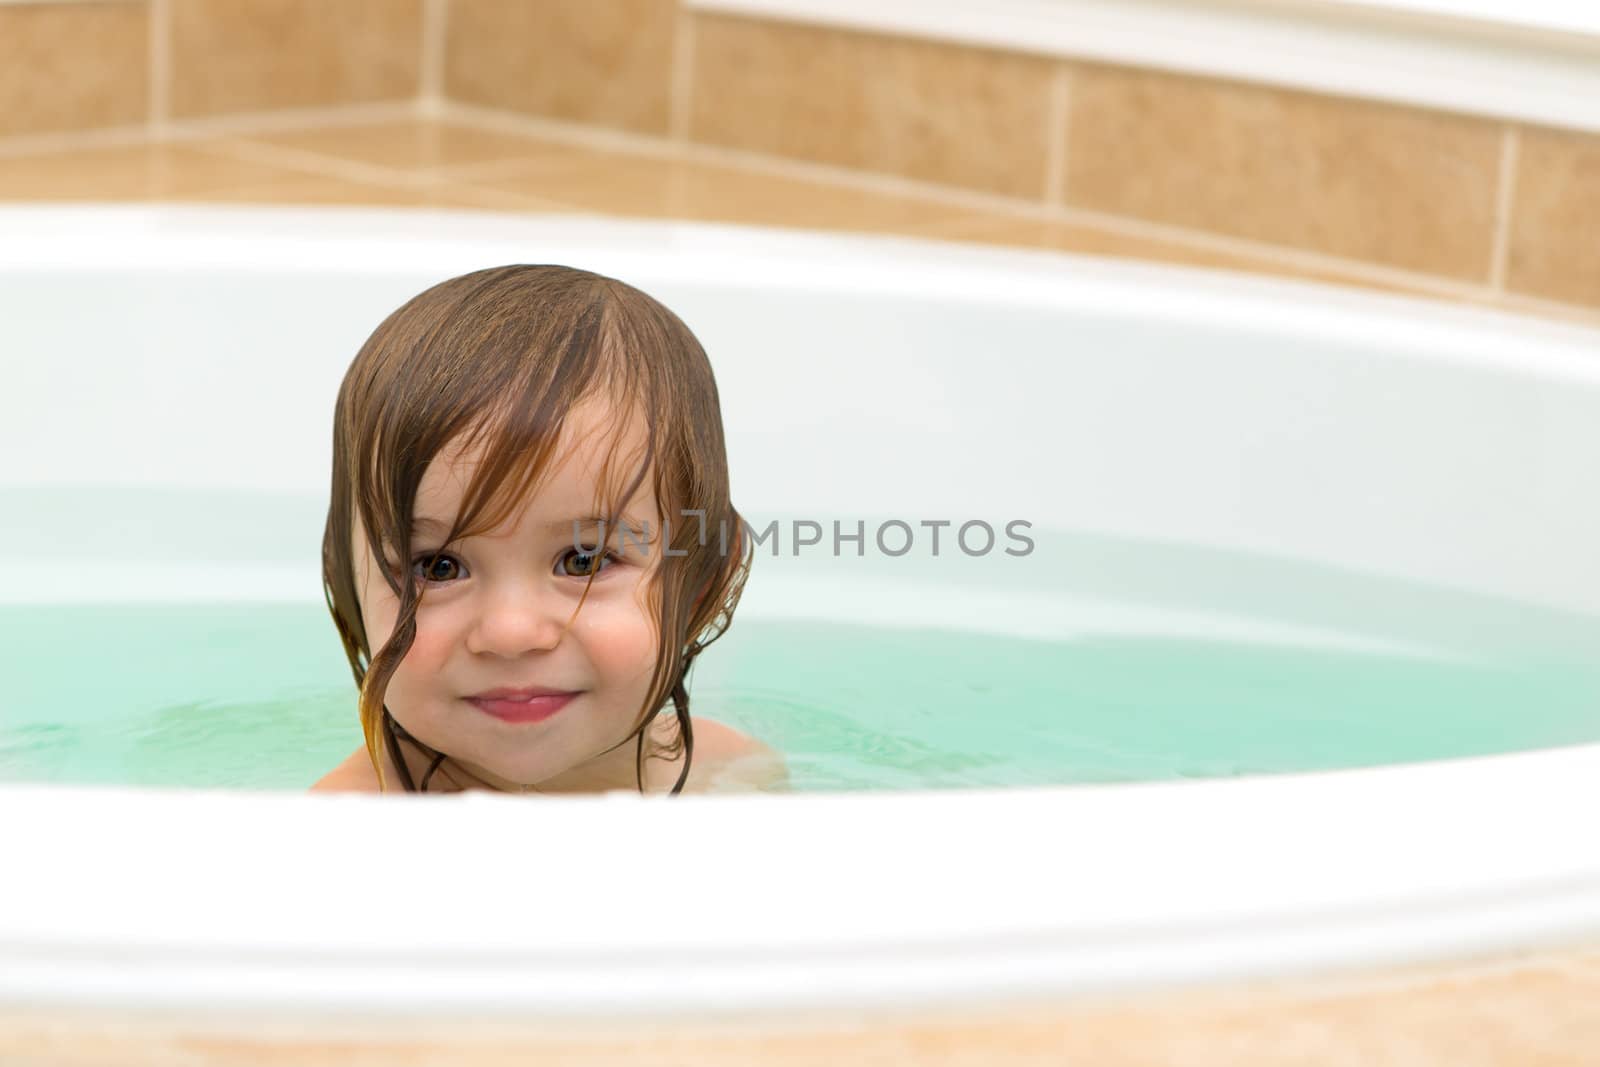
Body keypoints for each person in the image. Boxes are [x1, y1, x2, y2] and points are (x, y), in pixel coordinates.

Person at [309, 264, 787, 795]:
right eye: (438, 567)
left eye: (584, 561)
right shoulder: (347, 821)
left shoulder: (731, 774)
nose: (511, 634)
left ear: (703, 581)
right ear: (346, 581)